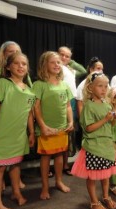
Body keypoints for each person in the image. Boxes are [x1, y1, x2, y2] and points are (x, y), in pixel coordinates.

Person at [0, 52, 35, 209]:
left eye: (24, 64)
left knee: (16, 164)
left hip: (19, 136)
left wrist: (31, 132)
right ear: (8, 67)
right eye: (16, 63)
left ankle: (16, 193)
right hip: (3, 134)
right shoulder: (3, 83)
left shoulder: (29, 90)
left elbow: (28, 114)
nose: (20, 66)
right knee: (0, 168)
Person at [71, 72, 116, 209]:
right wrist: (106, 119)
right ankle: (94, 202)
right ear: (90, 88)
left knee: (106, 175)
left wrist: (114, 118)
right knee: (92, 177)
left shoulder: (106, 104)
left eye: (106, 86)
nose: (104, 89)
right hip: (94, 147)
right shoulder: (88, 106)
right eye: (100, 86)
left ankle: (105, 196)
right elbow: (88, 128)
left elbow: (109, 126)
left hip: (106, 145)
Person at [0, 41, 29, 190]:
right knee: (0, 160)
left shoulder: (23, 77)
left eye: (17, 51)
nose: (14, 53)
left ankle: (15, 185)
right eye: (11, 52)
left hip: (16, 125)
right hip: (0, 121)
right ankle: (0, 182)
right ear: (3, 54)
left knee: (15, 157)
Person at [33, 51, 74, 200]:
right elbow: (35, 108)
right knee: (45, 157)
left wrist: (71, 122)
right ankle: (45, 187)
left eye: (58, 62)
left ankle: (58, 181)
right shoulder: (39, 85)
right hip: (47, 129)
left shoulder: (64, 85)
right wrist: (42, 126)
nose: (57, 65)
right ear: (44, 65)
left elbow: (68, 106)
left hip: (62, 128)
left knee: (59, 156)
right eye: (53, 62)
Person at [58, 46, 80, 176]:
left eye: (68, 56)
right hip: (61, 101)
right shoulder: (56, 68)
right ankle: (56, 164)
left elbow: (82, 70)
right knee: (59, 133)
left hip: (71, 101)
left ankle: (65, 164)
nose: (64, 58)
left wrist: (70, 62)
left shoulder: (70, 69)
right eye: (62, 55)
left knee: (68, 135)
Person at [75, 57, 104, 151]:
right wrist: (82, 121)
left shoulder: (104, 83)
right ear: (91, 69)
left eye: (102, 69)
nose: (101, 71)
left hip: (101, 118)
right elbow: (80, 104)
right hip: (90, 120)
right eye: (98, 68)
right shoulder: (83, 85)